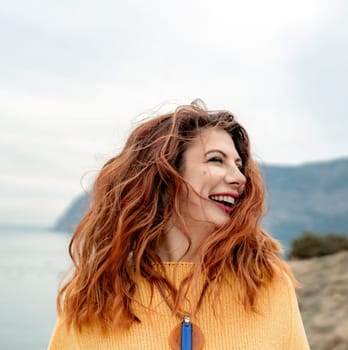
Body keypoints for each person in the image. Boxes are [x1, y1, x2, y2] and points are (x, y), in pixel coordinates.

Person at [48, 100, 310, 350]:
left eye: (239, 165)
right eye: (216, 160)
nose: (239, 178)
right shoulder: (92, 297)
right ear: (165, 175)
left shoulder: (267, 284)